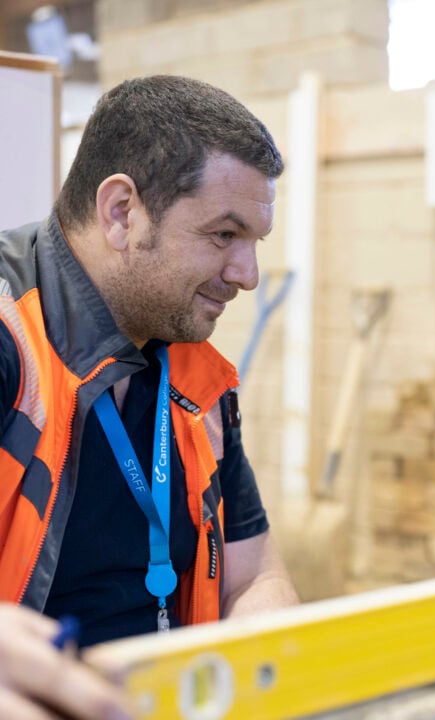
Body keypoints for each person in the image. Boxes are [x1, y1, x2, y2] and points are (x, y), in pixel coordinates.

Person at [0, 75, 299, 717]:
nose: (247, 275)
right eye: (224, 235)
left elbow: (255, 572)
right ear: (120, 212)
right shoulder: (8, 333)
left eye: (254, 243)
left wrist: (267, 672)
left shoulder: (194, 368)